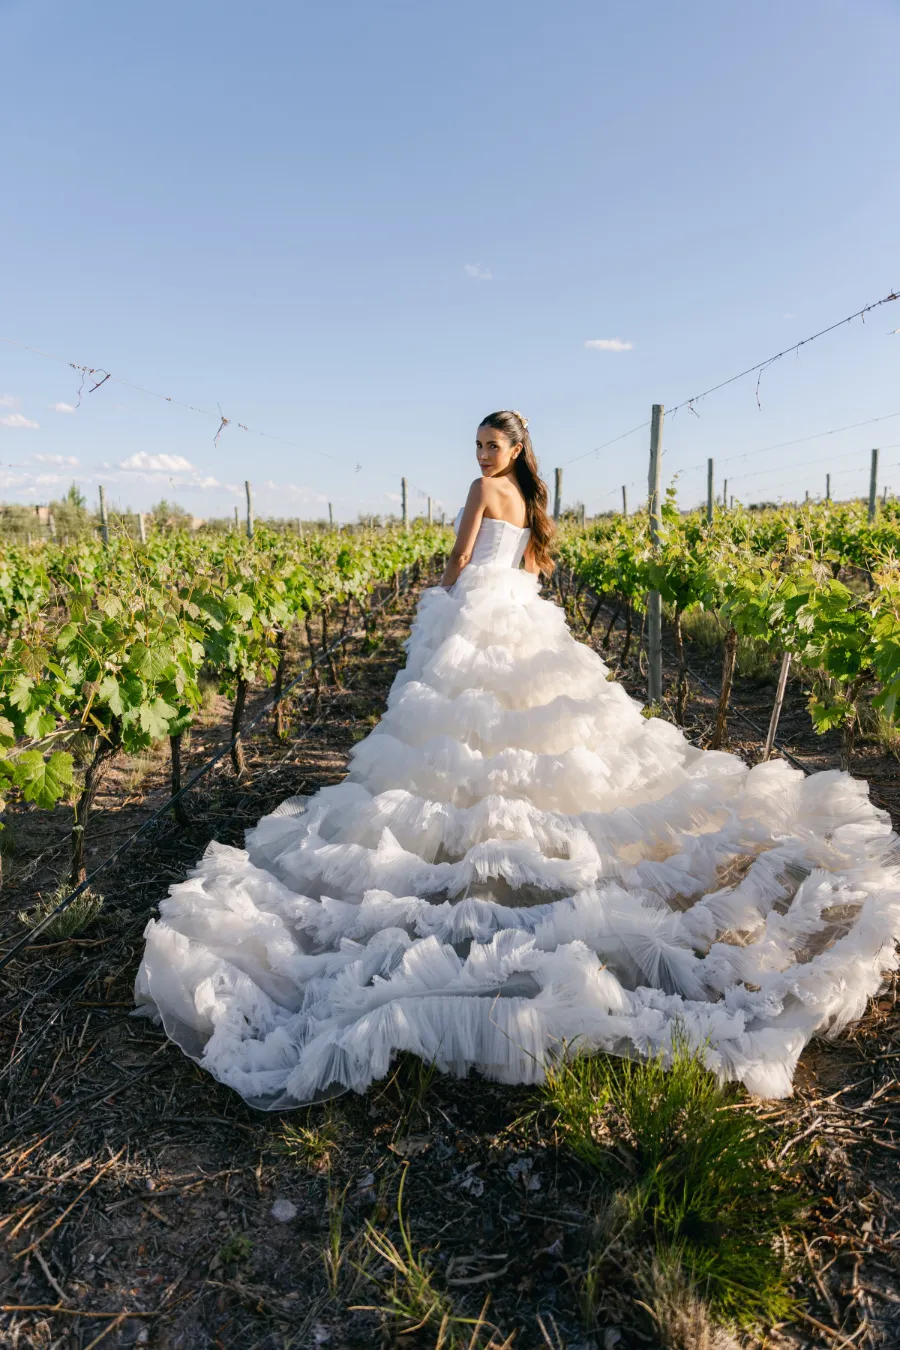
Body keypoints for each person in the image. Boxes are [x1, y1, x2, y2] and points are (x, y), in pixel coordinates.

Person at [135, 410, 900, 1108]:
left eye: (491, 446)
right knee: (536, 744)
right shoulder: (534, 501)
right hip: (523, 614)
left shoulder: (480, 490)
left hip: (479, 610)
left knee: (458, 746)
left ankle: (478, 853)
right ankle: (516, 851)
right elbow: (531, 568)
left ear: (514, 448)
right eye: (477, 447)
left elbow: (461, 559)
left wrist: (438, 601)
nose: (482, 456)